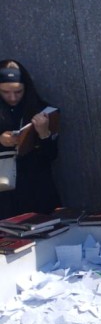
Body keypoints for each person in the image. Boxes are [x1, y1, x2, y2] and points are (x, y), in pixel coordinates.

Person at [0, 59, 60, 219]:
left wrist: (44, 134)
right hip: (5, 196)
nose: (12, 98)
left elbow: (51, 155)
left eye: (18, 92)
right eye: (5, 92)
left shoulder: (41, 110)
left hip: (37, 191)